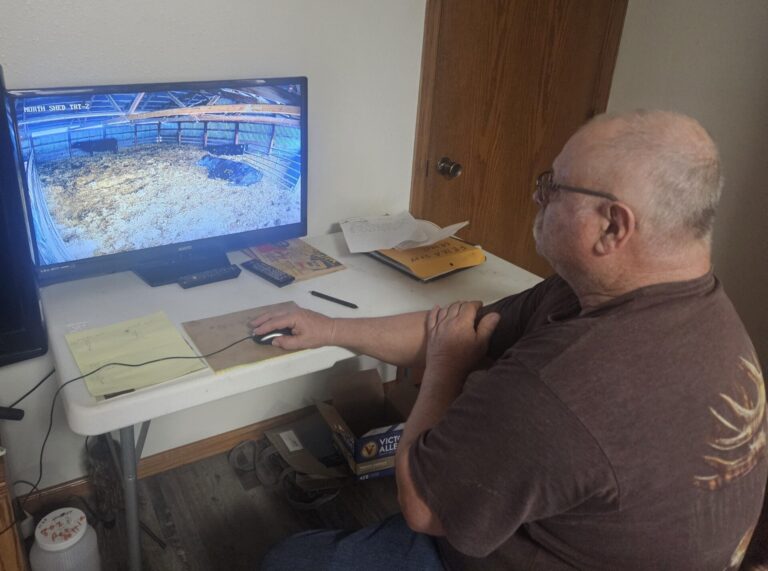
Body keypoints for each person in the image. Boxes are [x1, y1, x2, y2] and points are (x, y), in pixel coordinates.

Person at [254, 110, 766, 570]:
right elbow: (454, 329)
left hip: (466, 535)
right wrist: (329, 328)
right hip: (582, 531)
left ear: (613, 226)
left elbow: (423, 508)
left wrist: (445, 369)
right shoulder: (683, 301)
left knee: (287, 559)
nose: (536, 196)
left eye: (554, 187)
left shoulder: (563, 384)